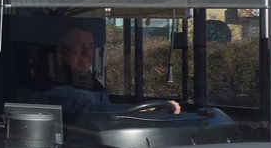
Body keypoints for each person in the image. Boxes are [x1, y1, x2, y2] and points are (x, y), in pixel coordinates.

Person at [44, 26, 180, 115]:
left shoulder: (91, 83)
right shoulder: (51, 83)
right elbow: (90, 111)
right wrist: (146, 109)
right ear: (61, 50)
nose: (86, 52)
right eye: (78, 45)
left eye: (90, 46)